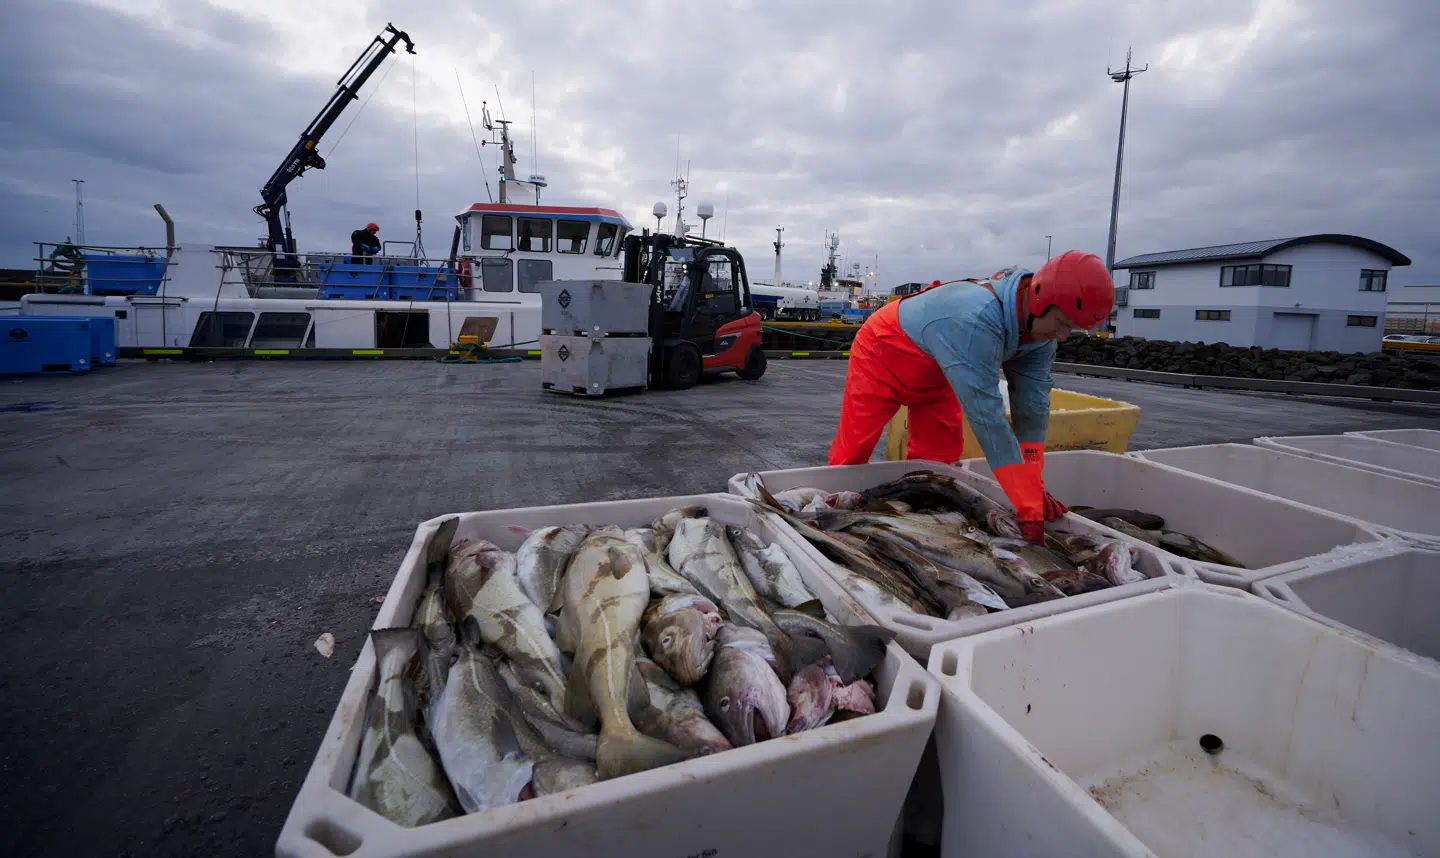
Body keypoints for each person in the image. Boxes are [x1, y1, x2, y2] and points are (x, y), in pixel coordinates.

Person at [828, 250, 1115, 543]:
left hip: (941, 374)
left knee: (938, 465)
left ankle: (919, 524)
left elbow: (1032, 413)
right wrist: (1027, 504)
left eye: (1071, 328)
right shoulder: (975, 319)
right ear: (1041, 300)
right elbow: (989, 421)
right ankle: (826, 513)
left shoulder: (1042, 337)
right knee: (852, 455)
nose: (1063, 336)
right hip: (881, 353)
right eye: (1062, 323)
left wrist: (1032, 485)